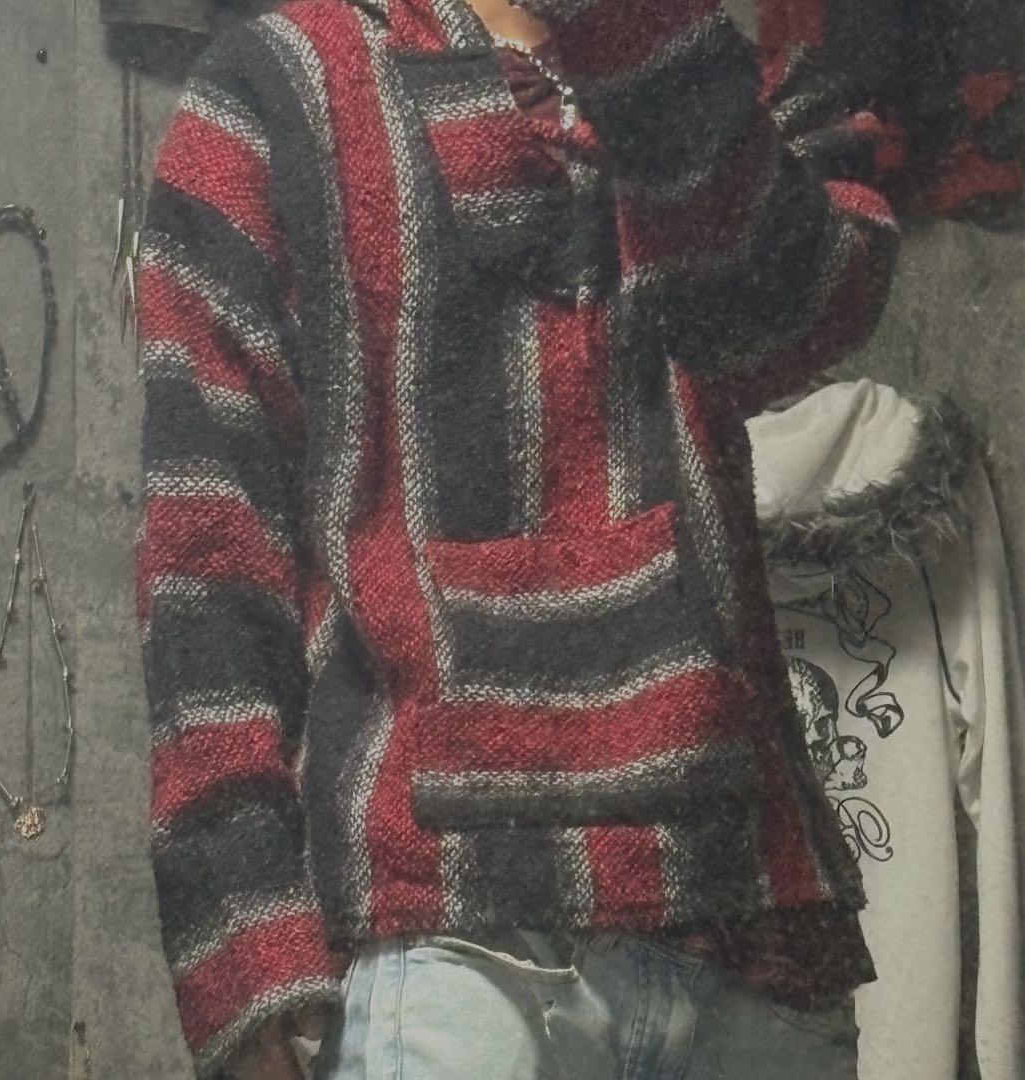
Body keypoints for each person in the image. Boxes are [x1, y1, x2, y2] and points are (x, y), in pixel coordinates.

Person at [132, 0, 899, 1077]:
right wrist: (245, 959)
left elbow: (797, 316)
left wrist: (628, 28)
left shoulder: (732, 66)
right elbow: (207, 556)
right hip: (450, 950)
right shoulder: (277, 84)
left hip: (756, 941)